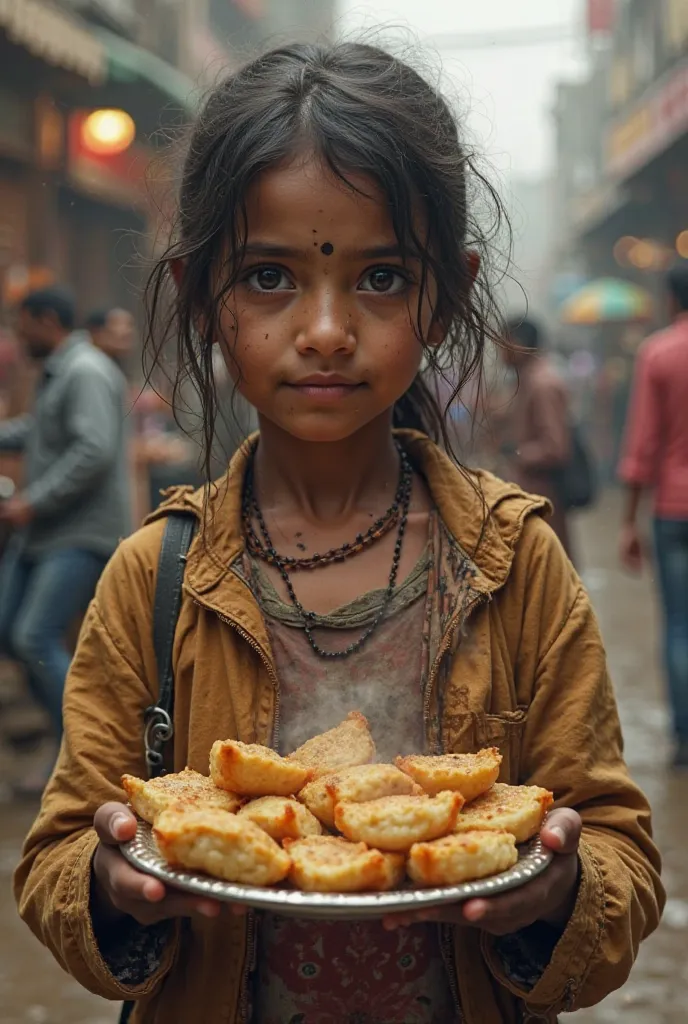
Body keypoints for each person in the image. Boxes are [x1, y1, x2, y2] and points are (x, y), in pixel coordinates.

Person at [14, 43, 662, 1024]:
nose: (324, 328)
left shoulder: (515, 562)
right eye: (269, 275)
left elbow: (618, 846)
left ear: (445, 289)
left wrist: (557, 891)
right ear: (201, 294)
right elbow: (58, 851)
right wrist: (111, 881)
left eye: (380, 276)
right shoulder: (155, 575)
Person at [0, 287, 131, 792]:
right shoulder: (60, 371)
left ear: (46, 320)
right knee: (9, 627)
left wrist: (34, 500)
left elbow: (93, 450)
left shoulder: (85, 371)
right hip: (46, 533)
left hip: (77, 531)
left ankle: (78, 755)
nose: (17, 335)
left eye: (21, 324)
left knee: (34, 636)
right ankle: (61, 741)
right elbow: (41, 433)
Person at [619, 259, 688, 769]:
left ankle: (686, 741)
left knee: (680, 626)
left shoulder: (659, 352)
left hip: (674, 509)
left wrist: (628, 520)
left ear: (670, 300)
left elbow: (642, 442)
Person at [499, 317, 573, 557]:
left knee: (548, 572)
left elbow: (555, 447)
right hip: (531, 495)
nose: (501, 353)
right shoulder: (528, 380)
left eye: (504, 344)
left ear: (519, 344)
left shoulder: (543, 384)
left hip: (542, 496)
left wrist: (518, 453)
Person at [85, 307, 136, 371]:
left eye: (130, 325)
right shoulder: (89, 368)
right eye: (119, 324)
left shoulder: (110, 363)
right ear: (97, 333)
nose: (128, 331)